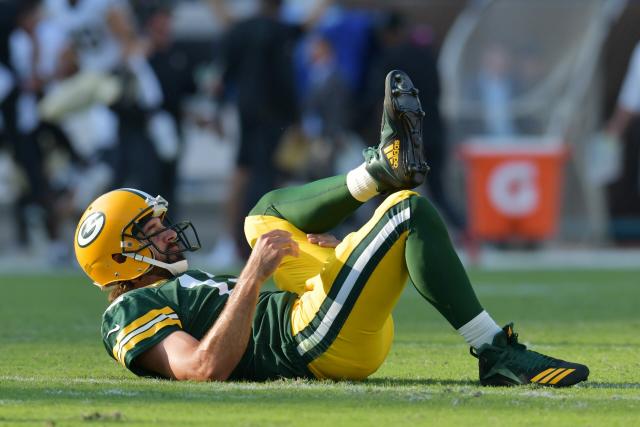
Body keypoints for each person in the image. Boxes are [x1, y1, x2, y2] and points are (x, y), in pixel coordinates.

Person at [74, 70, 589, 386]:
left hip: (312, 313)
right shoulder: (128, 310)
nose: (167, 234)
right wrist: (254, 275)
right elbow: (203, 369)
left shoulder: (168, 284)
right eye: (149, 231)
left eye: (161, 223)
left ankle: (375, 173)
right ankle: (494, 350)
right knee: (407, 210)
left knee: (261, 216)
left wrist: (327, 257)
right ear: (119, 256)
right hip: (308, 342)